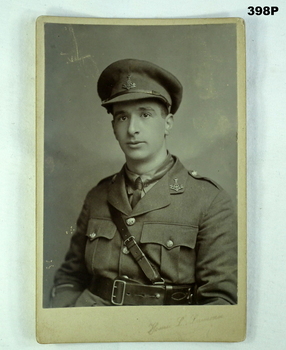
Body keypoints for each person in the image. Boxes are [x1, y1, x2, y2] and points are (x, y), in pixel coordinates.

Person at [50, 58, 237, 307]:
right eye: (122, 117)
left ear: (167, 123)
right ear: (113, 127)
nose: (133, 129)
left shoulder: (209, 200)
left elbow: (220, 301)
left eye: (145, 115)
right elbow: (70, 278)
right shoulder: (98, 195)